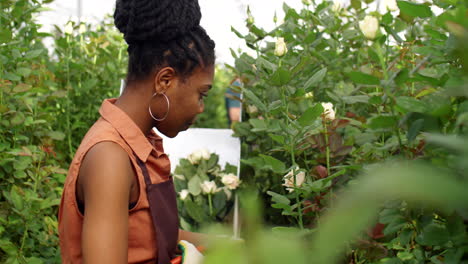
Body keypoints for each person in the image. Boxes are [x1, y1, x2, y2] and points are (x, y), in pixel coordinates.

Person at [58, 0, 216, 263]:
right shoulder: (110, 158)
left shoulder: (138, 142)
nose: (201, 108)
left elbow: (151, 234)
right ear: (165, 81)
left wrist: (232, 245)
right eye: (201, 94)